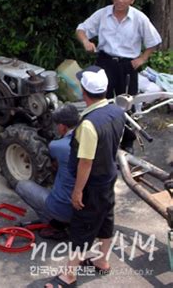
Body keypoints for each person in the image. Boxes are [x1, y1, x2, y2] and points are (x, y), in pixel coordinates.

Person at [45, 66, 126, 288]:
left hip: (93, 182)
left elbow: (85, 162)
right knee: (106, 218)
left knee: (82, 226)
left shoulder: (88, 124)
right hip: (110, 174)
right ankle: (102, 260)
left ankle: (69, 275)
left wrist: (78, 190)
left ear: (84, 92)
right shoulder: (118, 111)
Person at [76, 0, 161, 99]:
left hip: (127, 65)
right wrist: (86, 41)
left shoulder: (139, 18)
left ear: (132, 0)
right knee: (102, 101)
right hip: (104, 63)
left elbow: (154, 40)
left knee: (126, 103)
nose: (120, 0)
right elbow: (81, 29)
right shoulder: (102, 14)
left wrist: (142, 58)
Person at [15, 104, 79, 240]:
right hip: (86, 206)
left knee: (21, 185)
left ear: (62, 127)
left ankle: (54, 224)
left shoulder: (56, 146)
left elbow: (49, 161)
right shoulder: (88, 141)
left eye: (57, 125)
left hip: (65, 208)